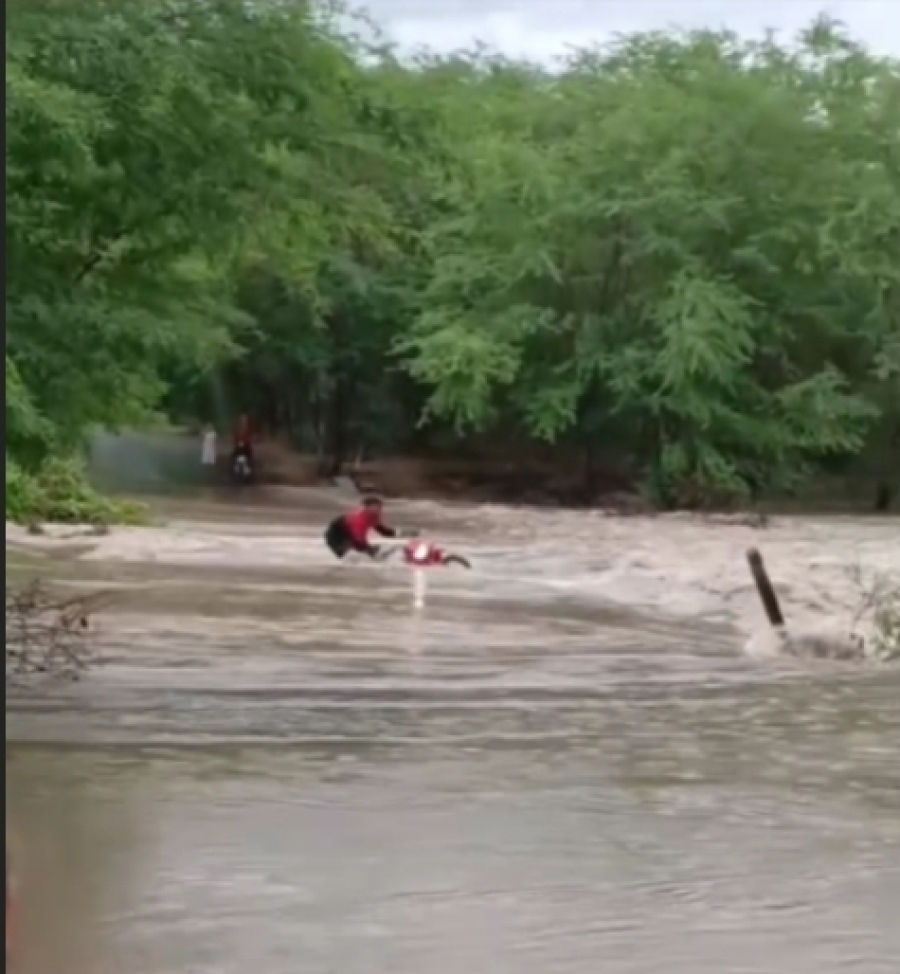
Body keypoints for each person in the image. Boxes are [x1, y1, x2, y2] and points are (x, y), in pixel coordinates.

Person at [325, 496, 406, 560]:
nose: (378, 509)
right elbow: (358, 537)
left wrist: (398, 533)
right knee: (353, 555)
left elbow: (380, 529)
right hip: (336, 536)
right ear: (367, 507)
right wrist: (368, 549)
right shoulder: (360, 517)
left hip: (349, 535)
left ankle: (370, 555)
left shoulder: (373, 516)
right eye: (375, 507)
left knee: (363, 551)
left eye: (379, 507)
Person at [402, 539, 471, 569]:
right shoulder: (412, 558)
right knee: (452, 557)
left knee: (452, 557)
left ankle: (467, 565)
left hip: (434, 560)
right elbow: (425, 558)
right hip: (434, 561)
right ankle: (467, 565)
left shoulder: (411, 557)